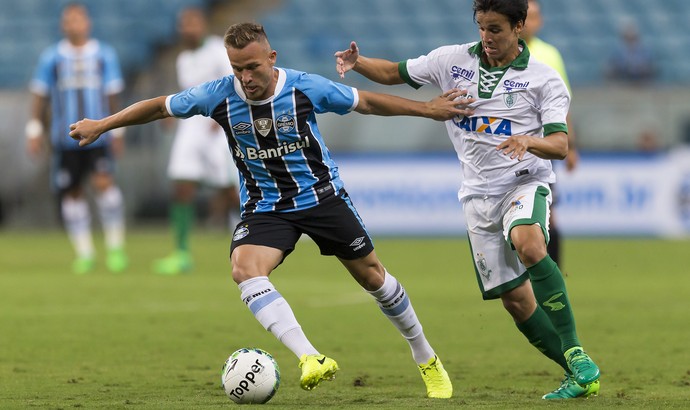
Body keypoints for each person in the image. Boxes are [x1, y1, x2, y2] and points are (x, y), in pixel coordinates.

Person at [69, 22, 474, 398]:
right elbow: (160, 107)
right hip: (266, 207)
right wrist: (103, 125)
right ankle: (310, 356)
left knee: (374, 278)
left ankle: (426, 357)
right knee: (244, 269)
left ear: (272, 58)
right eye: (237, 68)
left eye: (252, 67)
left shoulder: (304, 88)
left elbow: (366, 102)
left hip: (321, 197)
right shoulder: (218, 94)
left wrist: (426, 109)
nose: (246, 77)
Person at [335, 0, 600, 400]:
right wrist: (359, 63)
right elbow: (395, 73)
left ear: (518, 26)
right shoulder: (451, 60)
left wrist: (530, 140)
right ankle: (577, 373)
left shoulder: (544, 78)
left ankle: (577, 351)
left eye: (495, 29)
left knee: (529, 242)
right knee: (515, 301)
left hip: (524, 182)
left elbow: (561, 146)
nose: (486, 38)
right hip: (477, 196)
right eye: (481, 27)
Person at [27, 3, 127, 274]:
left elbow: (112, 94)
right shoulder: (53, 57)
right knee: (72, 192)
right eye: (68, 20)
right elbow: (40, 94)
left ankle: (115, 248)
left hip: (100, 137)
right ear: (63, 25)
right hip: (65, 138)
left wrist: (117, 130)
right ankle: (85, 253)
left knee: (104, 185)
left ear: (87, 23)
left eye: (78, 19)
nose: (73, 25)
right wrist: (35, 129)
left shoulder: (104, 54)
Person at [154, 7, 241, 275]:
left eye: (192, 23)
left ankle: (272, 228)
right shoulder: (183, 58)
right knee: (181, 185)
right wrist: (171, 114)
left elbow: (234, 82)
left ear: (202, 25)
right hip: (190, 128)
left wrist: (222, 117)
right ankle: (181, 253)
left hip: (216, 126)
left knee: (228, 190)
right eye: (184, 25)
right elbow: (187, 94)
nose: (187, 29)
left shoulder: (217, 50)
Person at [522, 0, 579, 267]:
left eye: (533, 16)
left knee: (548, 216)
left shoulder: (549, 54)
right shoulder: (497, 52)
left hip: (541, 148)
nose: (528, 22)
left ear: (539, 21)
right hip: (505, 146)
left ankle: (555, 276)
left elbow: (563, 103)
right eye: (524, 16)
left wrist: (572, 145)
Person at [605, 20, 656, 84]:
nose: (630, 35)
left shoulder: (644, 49)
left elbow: (648, 63)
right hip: (623, 73)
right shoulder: (618, 50)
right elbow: (614, 63)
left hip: (640, 74)